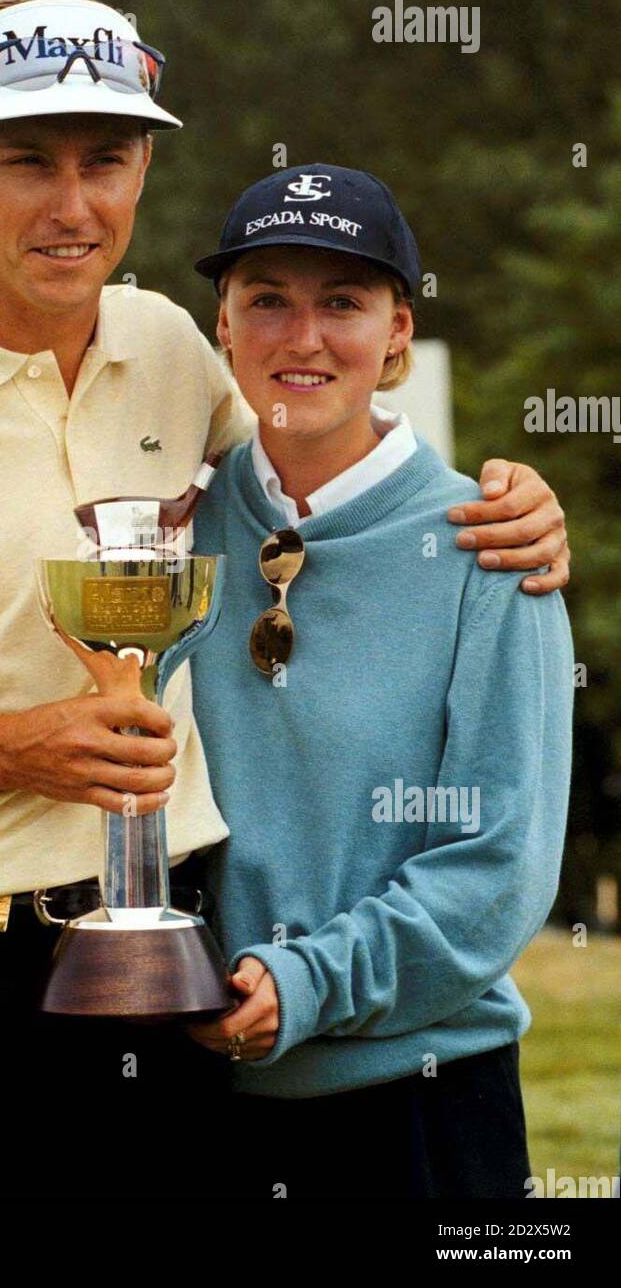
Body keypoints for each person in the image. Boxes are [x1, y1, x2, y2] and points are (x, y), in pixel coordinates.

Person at [0, 0, 569, 1200]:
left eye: (107, 158)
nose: (72, 203)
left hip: (170, 987)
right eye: (27, 160)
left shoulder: (166, 354)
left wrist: (516, 499)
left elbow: (313, 461)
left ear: (145, 167)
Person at [181, 164, 574, 1199]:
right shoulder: (164, 527)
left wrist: (303, 981)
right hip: (184, 1111)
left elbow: (498, 872)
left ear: (397, 334)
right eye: (267, 298)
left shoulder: (491, 552)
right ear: (222, 326)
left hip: (421, 1111)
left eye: (342, 303)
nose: (301, 336)